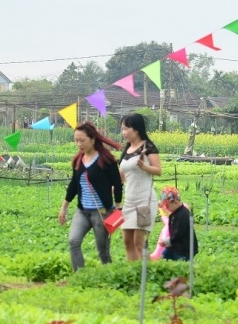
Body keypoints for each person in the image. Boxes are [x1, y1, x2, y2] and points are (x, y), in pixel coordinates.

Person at [59, 122, 123, 271]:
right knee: (73, 242)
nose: (79, 144)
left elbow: (117, 183)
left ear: (93, 139)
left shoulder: (106, 160)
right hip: (82, 211)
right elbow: (74, 185)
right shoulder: (78, 161)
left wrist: (118, 207)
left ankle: (108, 278)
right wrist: (64, 207)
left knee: (103, 251)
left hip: (101, 212)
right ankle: (80, 276)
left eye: (82, 140)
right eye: (76, 140)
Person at [119, 113, 162, 261]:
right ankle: (135, 275)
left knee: (139, 242)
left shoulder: (148, 146)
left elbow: (158, 170)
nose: (123, 132)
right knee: (127, 241)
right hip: (129, 202)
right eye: (122, 129)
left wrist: (144, 167)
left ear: (136, 129)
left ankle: (149, 274)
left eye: (126, 128)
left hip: (145, 201)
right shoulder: (127, 149)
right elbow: (122, 177)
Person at [157, 186, 198, 261]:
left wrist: (166, 242)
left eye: (167, 205)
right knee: (164, 256)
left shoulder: (182, 215)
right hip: (175, 246)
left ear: (175, 202)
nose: (166, 208)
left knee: (180, 263)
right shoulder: (175, 213)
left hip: (184, 250)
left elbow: (178, 235)